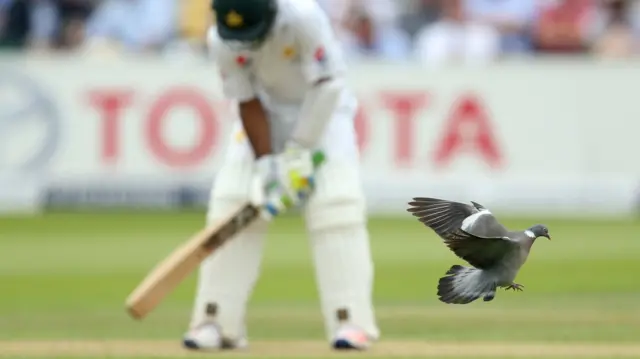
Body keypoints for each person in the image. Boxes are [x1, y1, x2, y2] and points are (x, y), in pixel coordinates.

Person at [182, 0, 379, 351]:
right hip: (266, 116)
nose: (246, 44)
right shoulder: (222, 37)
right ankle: (215, 321)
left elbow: (330, 83)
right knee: (231, 203)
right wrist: (266, 165)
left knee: (337, 207)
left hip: (322, 116)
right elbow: (246, 98)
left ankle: (351, 321)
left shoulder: (303, 17)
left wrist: (298, 152)